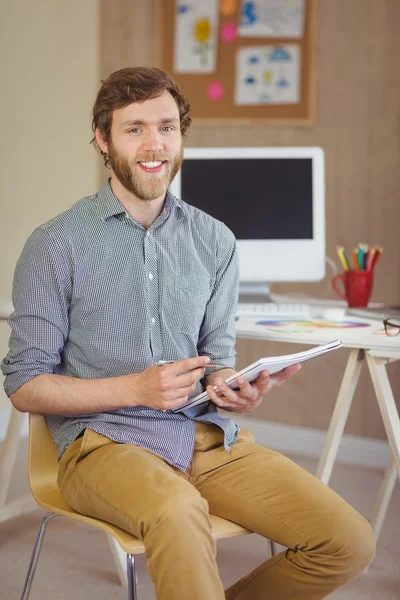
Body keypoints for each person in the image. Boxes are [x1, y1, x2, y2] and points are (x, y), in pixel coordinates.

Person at [2, 67, 374, 600]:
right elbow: (24, 385)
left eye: (167, 127)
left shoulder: (215, 240)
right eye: (134, 129)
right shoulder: (56, 244)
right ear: (103, 140)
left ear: (181, 135)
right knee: (180, 510)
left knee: (348, 540)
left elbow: (215, 357)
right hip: (102, 444)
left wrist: (233, 384)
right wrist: (136, 389)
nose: (154, 145)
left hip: (202, 436)